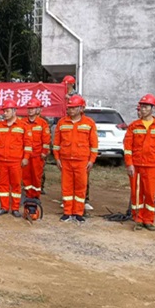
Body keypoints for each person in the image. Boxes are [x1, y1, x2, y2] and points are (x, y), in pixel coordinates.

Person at [124, 94, 155, 232]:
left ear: (153, 108)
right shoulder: (134, 126)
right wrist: (129, 164)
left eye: (146, 107)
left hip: (152, 166)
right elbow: (128, 147)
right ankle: (138, 219)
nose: (143, 109)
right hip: (136, 165)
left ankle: (149, 220)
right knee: (136, 193)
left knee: (150, 194)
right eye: (142, 107)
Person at [53, 94, 98, 223]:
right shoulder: (62, 122)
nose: (70, 110)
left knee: (80, 187)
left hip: (82, 161)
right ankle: (67, 212)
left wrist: (91, 160)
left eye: (73, 108)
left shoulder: (89, 123)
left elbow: (94, 144)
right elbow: (56, 143)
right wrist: (57, 158)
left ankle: (78, 212)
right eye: (69, 108)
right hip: (66, 160)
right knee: (66, 187)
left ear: (81, 108)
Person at [0, 100, 32, 217]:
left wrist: (26, 158)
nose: (5, 113)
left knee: (16, 185)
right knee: (2, 184)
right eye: (4, 111)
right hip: (2, 160)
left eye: (7, 111)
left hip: (16, 161)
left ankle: (15, 208)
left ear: (14, 111)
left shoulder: (23, 126)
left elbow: (28, 144)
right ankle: (4, 207)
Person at [22, 98, 50, 201]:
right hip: (26, 155)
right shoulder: (22, 122)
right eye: (29, 108)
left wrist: (44, 152)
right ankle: (28, 195)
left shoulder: (42, 123)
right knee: (26, 176)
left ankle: (36, 195)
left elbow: (46, 140)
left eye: (32, 108)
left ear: (37, 110)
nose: (30, 110)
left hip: (37, 155)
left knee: (36, 176)